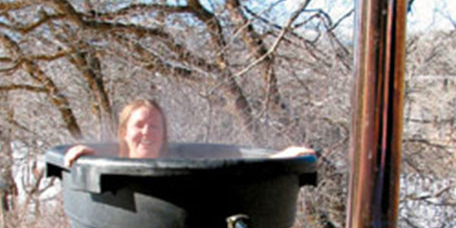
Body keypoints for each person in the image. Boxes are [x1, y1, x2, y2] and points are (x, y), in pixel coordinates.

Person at [64, 98, 313, 167]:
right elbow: (83, 162)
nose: (147, 132)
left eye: (155, 126)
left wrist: (278, 158)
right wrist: (82, 156)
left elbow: (231, 169)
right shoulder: (110, 163)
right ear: (124, 131)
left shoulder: (178, 164)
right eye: (139, 125)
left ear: (164, 134)